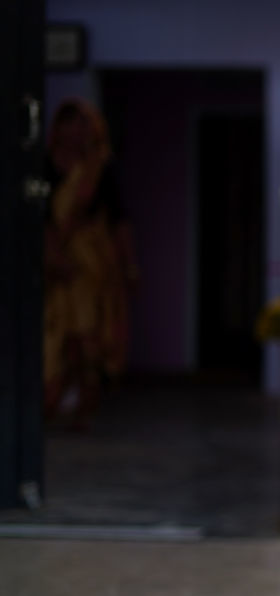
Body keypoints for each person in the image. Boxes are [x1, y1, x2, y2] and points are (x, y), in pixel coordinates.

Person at [43, 98, 136, 428]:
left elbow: (119, 221)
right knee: (54, 338)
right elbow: (40, 220)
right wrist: (53, 255)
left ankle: (84, 411)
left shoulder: (100, 168)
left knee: (90, 339)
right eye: (72, 123)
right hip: (54, 267)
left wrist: (129, 266)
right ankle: (50, 408)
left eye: (84, 124)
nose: (79, 130)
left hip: (92, 267)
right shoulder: (44, 166)